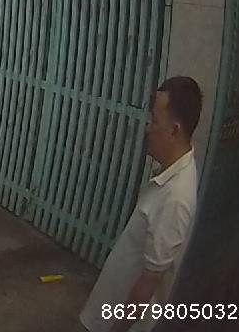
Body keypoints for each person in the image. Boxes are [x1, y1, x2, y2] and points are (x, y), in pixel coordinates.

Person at [80, 76, 203, 331]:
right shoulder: (170, 174)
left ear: (174, 130)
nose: (147, 128)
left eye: (154, 120)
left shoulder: (175, 198)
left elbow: (149, 282)